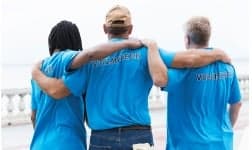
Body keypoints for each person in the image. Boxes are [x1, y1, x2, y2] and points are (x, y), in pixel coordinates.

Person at [31, 5, 231, 149]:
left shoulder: (90, 61)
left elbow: (59, 89)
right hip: (139, 135)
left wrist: (36, 74)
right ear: (131, 29)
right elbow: (189, 59)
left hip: (102, 139)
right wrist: (217, 54)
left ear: (104, 29)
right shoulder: (147, 52)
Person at [30, 20, 143, 150]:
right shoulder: (66, 57)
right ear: (74, 40)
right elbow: (90, 54)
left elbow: (34, 116)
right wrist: (127, 43)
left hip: (39, 144)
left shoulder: (39, 71)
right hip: (68, 143)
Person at [162, 16, 242, 150]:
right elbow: (237, 104)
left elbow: (159, 79)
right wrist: (224, 129)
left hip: (188, 145)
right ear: (207, 37)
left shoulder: (182, 70)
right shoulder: (228, 67)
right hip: (222, 143)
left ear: (187, 39)